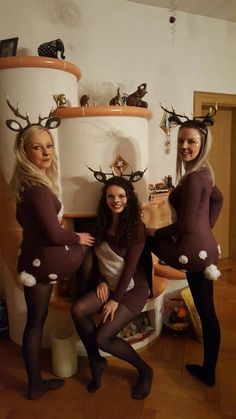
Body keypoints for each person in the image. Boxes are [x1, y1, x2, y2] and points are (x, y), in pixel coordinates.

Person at [8, 113, 95, 400]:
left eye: (49, 145)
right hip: (47, 261)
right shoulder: (38, 190)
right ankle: (82, 298)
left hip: (31, 262)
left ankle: (34, 385)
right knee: (88, 249)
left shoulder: (24, 186)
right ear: (24, 151)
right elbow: (56, 236)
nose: (46, 152)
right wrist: (77, 238)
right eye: (37, 147)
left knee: (35, 321)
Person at [146, 108, 223, 387]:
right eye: (181, 141)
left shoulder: (193, 178)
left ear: (202, 143)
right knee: (207, 310)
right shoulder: (204, 173)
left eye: (191, 141)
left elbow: (183, 227)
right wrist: (208, 228)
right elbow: (218, 200)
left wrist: (154, 231)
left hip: (191, 252)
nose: (184, 147)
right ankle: (209, 371)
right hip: (205, 248)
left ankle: (142, 283)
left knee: (143, 238)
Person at [71, 176, 153, 400]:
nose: (116, 200)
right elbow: (100, 260)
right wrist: (101, 281)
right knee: (78, 309)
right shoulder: (100, 224)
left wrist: (115, 299)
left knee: (102, 338)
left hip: (132, 287)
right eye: (111, 196)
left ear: (128, 198)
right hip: (110, 283)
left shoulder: (136, 227)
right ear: (105, 198)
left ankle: (145, 370)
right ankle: (96, 361)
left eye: (121, 196)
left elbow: (130, 269)